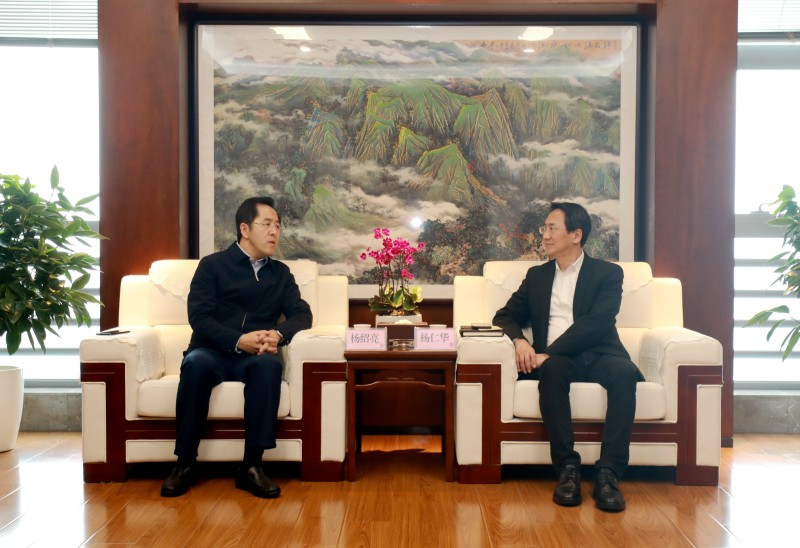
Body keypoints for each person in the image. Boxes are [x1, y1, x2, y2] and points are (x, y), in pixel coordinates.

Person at [492, 202, 643, 512]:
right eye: (544, 228)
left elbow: (598, 323)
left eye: (552, 228)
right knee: (552, 371)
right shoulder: (537, 276)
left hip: (600, 353)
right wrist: (520, 342)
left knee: (623, 373)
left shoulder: (608, 273)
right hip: (559, 362)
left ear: (576, 235)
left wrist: (548, 352)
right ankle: (567, 470)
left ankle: (609, 473)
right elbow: (504, 315)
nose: (545, 236)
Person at [160, 197, 312, 499]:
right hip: (211, 350)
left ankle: (252, 466)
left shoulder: (280, 273)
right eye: (266, 224)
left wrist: (278, 334)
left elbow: (302, 314)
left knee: (269, 367)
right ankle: (185, 463)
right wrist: (238, 339)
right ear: (244, 229)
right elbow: (199, 318)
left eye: (278, 226)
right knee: (195, 364)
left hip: (255, 356)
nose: (275, 232)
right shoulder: (212, 266)